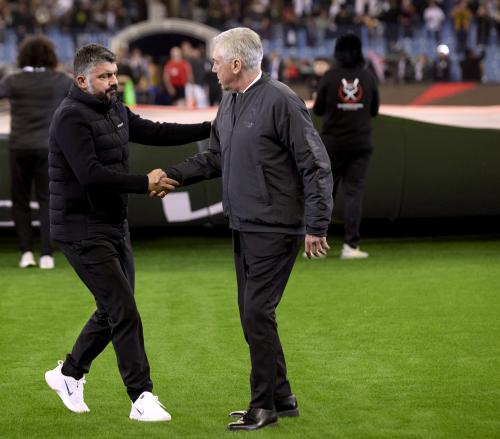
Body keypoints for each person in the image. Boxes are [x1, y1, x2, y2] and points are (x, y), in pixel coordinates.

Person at [160, 27, 333, 431]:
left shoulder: (282, 101)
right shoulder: (231, 100)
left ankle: (263, 407)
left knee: (257, 313)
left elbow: (316, 164)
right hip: (245, 224)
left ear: (236, 64)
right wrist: (172, 175)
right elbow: (214, 158)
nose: (212, 68)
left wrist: (317, 224)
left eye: (216, 61)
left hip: (276, 227)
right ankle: (282, 396)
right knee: (253, 314)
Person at [43, 44, 211, 422]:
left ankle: (68, 374)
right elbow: (91, 175)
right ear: (81, 80)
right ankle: (141, 397)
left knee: (113, 308)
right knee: (124, 310)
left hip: (113, 223)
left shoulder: (115, 108)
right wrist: (145, 183)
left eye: (114, 74)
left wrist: (211, 128)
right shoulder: (69, 118)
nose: (113, 82)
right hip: (80, 228)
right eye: (104, 76)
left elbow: (155, 131)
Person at [0, 35, 72, 269]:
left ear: (22, 57)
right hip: (49, 149)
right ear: (51, 56)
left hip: (20, 147)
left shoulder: (14, 80)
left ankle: (25, 253)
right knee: (47, 200)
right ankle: (47, 255)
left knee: (20, 201)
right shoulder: (61, 80)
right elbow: (83, 91)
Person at [313, 33, 379, 259]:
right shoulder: (368, 77)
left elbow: (318, 110)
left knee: (324, 192)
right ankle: (351, 246)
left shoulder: (329, 77)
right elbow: (374, 110)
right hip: (360, 144)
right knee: (354, 194)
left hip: (332, 144)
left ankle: (317, 246)